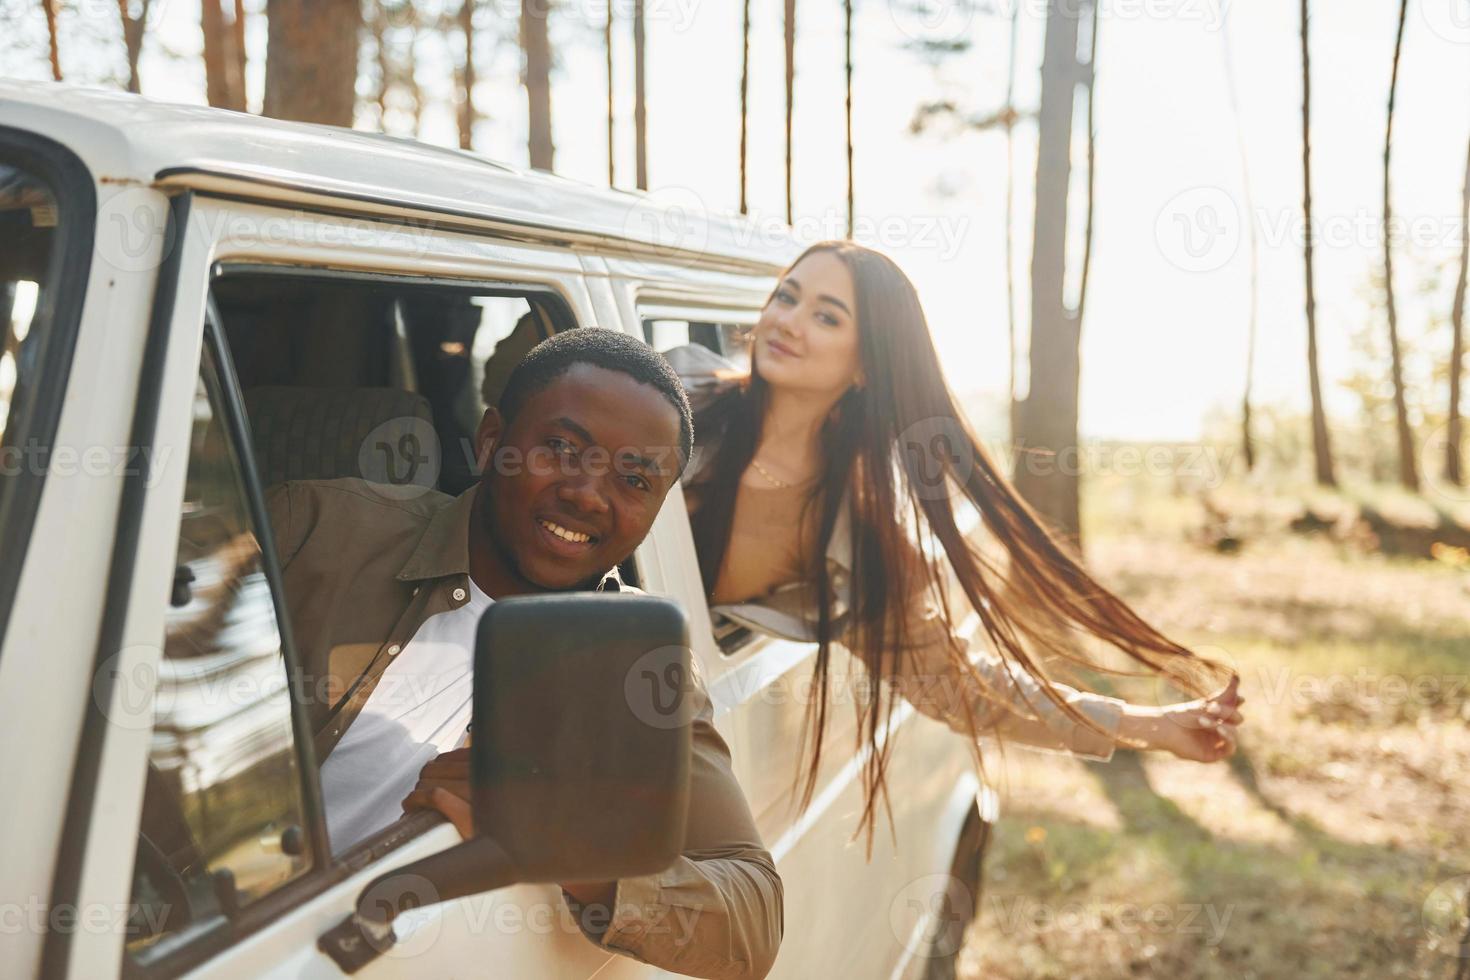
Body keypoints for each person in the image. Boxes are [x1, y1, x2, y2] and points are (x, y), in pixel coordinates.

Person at [671, 241, 1245, 836]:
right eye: (787, 297)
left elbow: (959, 687)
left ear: (866, 364)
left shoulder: (853, 538)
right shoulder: (666, 397)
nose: (788, 322)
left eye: (826, 316)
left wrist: (1149, 725)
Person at [266, 329, 782, 980]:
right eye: (562, 448)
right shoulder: (317, 529)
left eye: (634, 479)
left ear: (657, 509)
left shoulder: (640, 664)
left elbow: (753, 921)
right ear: (491, 442)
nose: (588, 494)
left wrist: (572, 852)